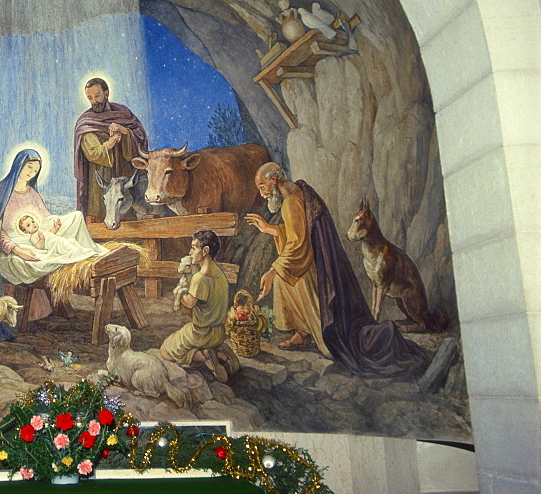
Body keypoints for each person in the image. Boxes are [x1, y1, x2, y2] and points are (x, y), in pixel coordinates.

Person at [245, 162, 427, 378]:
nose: (262, 192)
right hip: (311, 258)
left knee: (284, 279)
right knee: (284, 275)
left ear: (274, 180)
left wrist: (272, 271)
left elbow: (297, 244)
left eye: (262, 186)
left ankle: (315, 333)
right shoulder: (297, 190)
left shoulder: (290, 202)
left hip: (311, 266)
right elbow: (299, 232)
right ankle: (303, 332)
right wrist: (271, 229)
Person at [0, 149, 107, 310]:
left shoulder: (33, 193)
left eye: (36, 170)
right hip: (12, 246)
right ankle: (74, 251)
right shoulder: (1, 193)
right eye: (29, 167)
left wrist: (55, 226)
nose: (32, 173)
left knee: (76, 216)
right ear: (18, 165)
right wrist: (18, 250)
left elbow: (44, 219)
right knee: (41, 257)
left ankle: (84, 249)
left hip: (35, 236)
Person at [160, 230, 238, 381]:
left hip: (200, 332)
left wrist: (179, 293)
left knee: (165, 351)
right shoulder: (221, 275)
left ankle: (205, 357)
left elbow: (189, 303)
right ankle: (222, 354)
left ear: (205, 251)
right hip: (219, 332)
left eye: (194, 248)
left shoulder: (199, 278)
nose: (190, 252)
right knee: (196, 340)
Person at [73, 77, 148, 220]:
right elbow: (92, 153)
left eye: (97, 96)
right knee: (103, 218)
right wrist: (110, 143)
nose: (94, 101)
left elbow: (141, 138)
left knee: (130, 216)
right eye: (90, 98)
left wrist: (125, 132)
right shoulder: (86, 122)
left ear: (106, 93)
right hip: (101, 179)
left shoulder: (124, 113)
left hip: (126, 176)